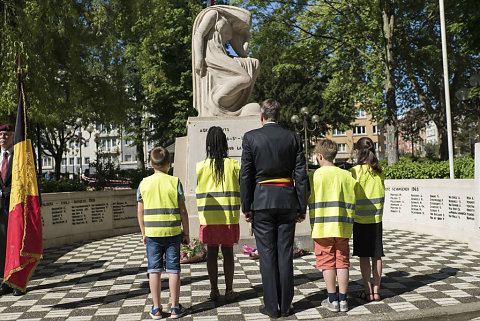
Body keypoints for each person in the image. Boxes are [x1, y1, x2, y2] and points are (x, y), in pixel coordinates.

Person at [240, 99, 307, 318]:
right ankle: (286, 305)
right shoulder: (294, 138)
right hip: (287, 201)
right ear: (279, 116)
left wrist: (247, 205)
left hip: (262, 202)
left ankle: (271, 307)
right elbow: (301, 175)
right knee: (285, 254)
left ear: (262, 117)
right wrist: (301, 206)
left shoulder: (251, 138)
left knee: (267, 256)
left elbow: (246, 175)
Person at [137, 147, 190, 319]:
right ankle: (175, 308)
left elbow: (140, 211)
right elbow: (182, 210)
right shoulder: (175, 182)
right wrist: (186, 232)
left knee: (154, 270)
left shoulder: (144, 183)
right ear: (169, 164)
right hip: (173, 232)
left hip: (152, 233)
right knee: (174, 269)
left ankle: (157, 308)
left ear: (151, 164)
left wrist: (143, 232)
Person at [308, 139, 358, 313]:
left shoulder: (314, 176)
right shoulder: (347, 175)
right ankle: (343, 300)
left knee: (327, 263)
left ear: (319, 156)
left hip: (322, 227)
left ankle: (332, 300)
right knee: (342, 262)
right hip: (343, 226)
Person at [196, 126, 240, 302]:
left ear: (208, 145)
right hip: (229, 217)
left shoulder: (201, 167)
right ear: (225, 144)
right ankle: (229, 291)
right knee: (228, 253)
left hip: (209, 218)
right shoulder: (233, 165)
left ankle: (214, 290)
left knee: (212, 253)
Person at [192, 5, 260, 116]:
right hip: (212, 55)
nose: (243, 28)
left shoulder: (231, 28)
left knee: (254, 63)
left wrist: (247, 36)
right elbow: (199, 34)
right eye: (244, 26)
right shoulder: (214, 14)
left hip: (222, 55)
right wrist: (198, 58)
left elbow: (242, 52)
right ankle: (215, 102)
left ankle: (227, 104)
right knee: (245, 78)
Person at [350, 137, 385, 302]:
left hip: (359, 221)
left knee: (364, 257)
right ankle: (377, 292)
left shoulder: (354, 172)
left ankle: (368, 291)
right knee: (377, 256)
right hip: (376, 220)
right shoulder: (379, 171)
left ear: (358, 152)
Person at [0, 123, 23, 296]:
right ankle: (5, 281)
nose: (3, 137)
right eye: (1, 135)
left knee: (15, 245)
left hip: (14, 207)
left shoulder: (19, 156)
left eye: (6, 134)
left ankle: (17, 282)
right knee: (1, 246)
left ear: (13, 136)